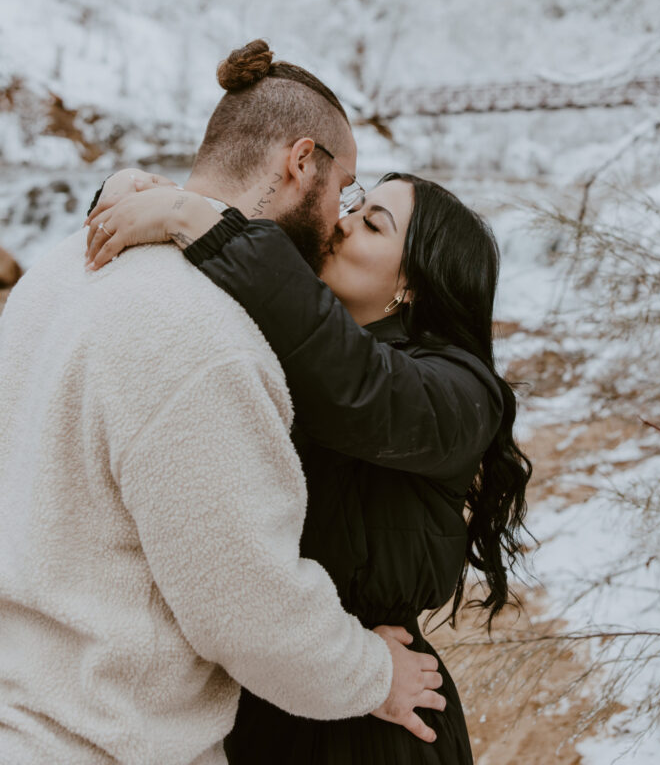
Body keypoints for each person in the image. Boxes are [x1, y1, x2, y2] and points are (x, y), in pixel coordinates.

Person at [0, 41, 446, 765]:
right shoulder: (206, 333)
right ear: (301, 162)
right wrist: (374, 674)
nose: (340, 217)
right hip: (101, 741)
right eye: (346, 188)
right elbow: (249, 612)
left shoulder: (62, 266)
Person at [85, 50, 532, 764]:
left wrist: (194, 213)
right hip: (263, 697)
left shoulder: (457, 392)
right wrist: (130, 193)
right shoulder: (286, 331)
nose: (343, 221)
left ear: (412, 287)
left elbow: (353, 386)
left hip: (374, 719)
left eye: (374, 222)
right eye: (351, 203)